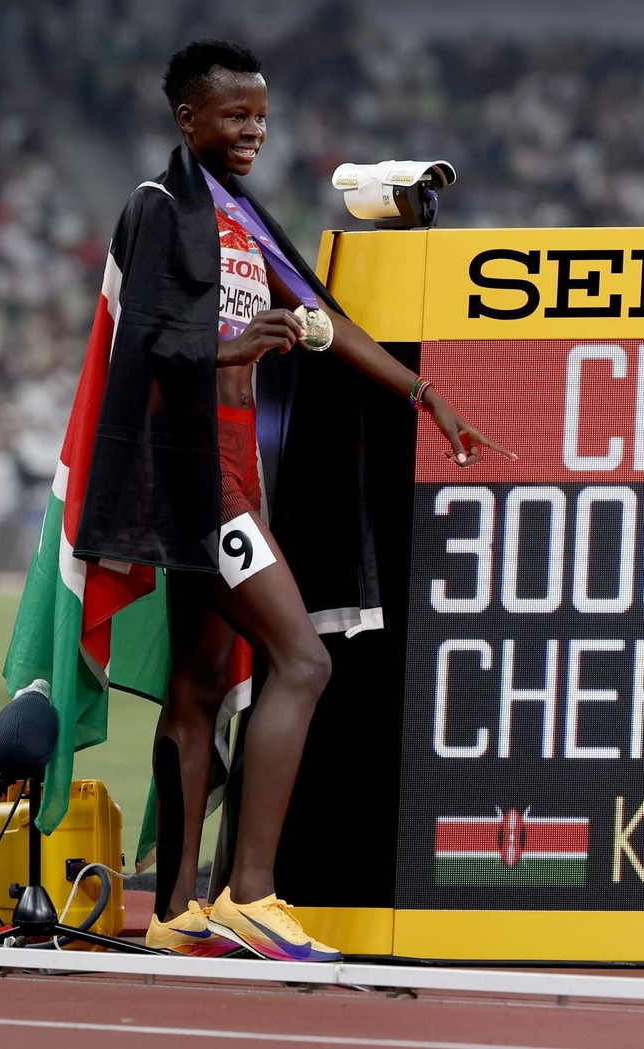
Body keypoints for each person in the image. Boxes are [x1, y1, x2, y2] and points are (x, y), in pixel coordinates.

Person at [108, 40, 512, 960]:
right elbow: (143, 344)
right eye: (233, 116)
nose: (252, 130)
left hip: (236, 467)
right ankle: (252, 893)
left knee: (204, 683)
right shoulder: (160, 209)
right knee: (303, 660)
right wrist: (230, 348)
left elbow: (329, 322)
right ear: (187, 120)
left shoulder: (247, 222)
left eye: (260, 115)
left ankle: (176, 910)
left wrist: (425, 394)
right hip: (193, 473)